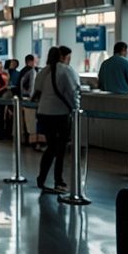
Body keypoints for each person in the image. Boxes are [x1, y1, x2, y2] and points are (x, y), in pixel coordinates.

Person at [33, 46, 79, 192]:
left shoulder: (44, 71)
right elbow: (73, 91)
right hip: (60, 113)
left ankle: (42, 178)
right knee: (60, 149)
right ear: (64, 57)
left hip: (44, 113)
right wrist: (76, 109)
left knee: (51, 147)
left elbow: (37, 89)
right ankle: (59, 180)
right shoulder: (66, 70)